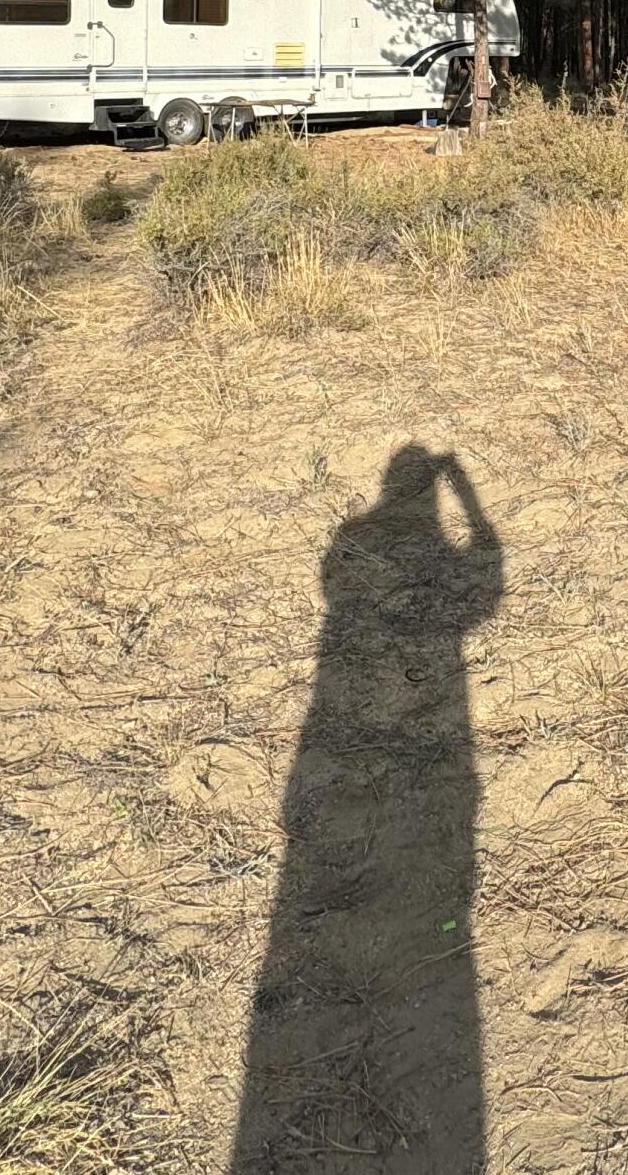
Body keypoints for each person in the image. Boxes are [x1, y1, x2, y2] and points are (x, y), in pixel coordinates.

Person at [232, 447, 504, 1172]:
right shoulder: (366, 540)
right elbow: (485, 587)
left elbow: (340, 581)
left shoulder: (353, 536)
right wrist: (473, 511)